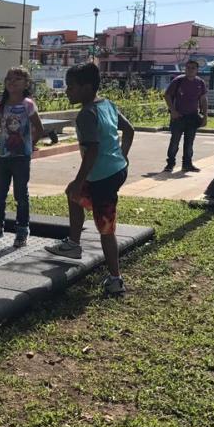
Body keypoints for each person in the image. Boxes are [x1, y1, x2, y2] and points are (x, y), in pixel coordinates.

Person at [45, 63, 135, 297]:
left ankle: (116, 280)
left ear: (86, 88)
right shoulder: (107, 104)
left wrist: (78, 181)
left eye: (71, 87)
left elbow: (92, 151)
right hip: (117, 170)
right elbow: (130, 130)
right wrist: (122, 155)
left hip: (103, 177)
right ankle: (74, 245)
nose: (67, 92)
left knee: (106, 228)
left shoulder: (86, 114)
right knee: (72, 195)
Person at [0, 67, 45, 249]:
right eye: (9, 79)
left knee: (21, 194)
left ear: (26, 84)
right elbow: (2, 128)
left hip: (21, 157)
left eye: (18, 79)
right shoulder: (1, 104)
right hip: (3, 156)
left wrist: (30, 144)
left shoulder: (28, 104)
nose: (12, 82)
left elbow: (39, 127)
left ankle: (22, 229)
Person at [163, 60, 208, 173]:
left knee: (189, 143)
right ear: (185, 69)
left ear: (197, 70)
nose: (190, 70)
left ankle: (187, 164)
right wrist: (173, 111)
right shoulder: (178, 81)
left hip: (192, 117)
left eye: (193, 68)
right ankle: (170, 164)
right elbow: (167, 95)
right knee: (174, 142)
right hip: (178, 117)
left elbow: (203, 99)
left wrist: (205, 116)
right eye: (188, 67)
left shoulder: (200, 83)